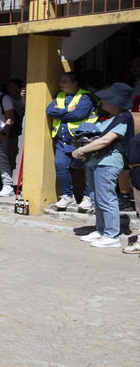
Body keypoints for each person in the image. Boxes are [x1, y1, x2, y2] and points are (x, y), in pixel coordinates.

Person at [73, 83, 133, 248]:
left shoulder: (124, 118)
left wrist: (80, 151)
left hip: (108, 163)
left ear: (115, 102)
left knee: (106, 198)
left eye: (105, 99)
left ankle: (111, 235)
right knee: (97, 198)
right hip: (95, 162)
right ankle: (101, 231)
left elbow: (105, 140)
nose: (101, 101)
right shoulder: (107, 118)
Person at [47, 71, 96, 212]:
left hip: (82, 141)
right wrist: (67, 110)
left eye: (64, 81)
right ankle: (67, 196)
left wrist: (60, 112)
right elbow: (49, 111)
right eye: (61, 80)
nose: (60, 83)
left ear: (75, 83)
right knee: (60, 165)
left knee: (88, 169)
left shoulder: (85, 96)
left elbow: (79, 114)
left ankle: (89, 197)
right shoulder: (60, 95)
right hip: (62, 140)